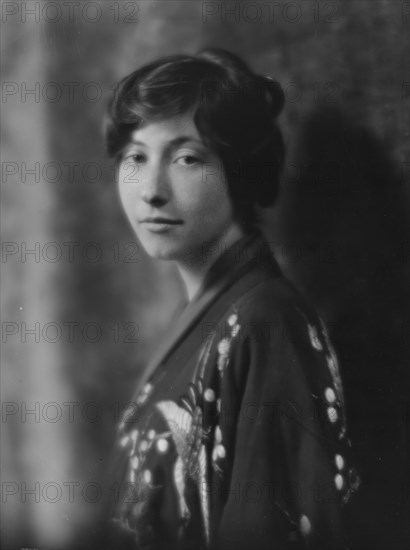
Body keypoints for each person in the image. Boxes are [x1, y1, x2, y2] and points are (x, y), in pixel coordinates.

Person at [101, 48, 359, 550]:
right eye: (136, 156)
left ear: (239, 172)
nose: (151, 190)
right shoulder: (209, 311)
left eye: (187, 158)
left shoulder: (266, 323)